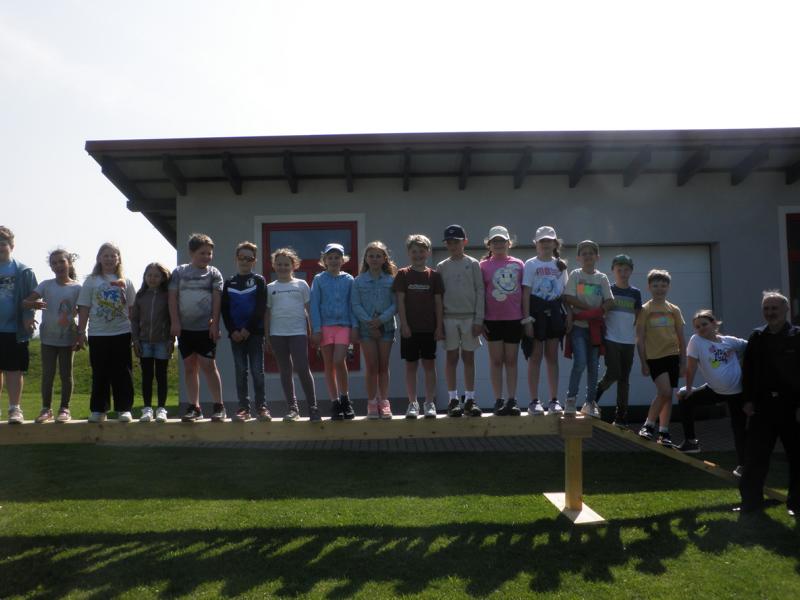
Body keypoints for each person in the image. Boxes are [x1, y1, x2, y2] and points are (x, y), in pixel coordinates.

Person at [738, 290, 800, 516]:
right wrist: (747, 400)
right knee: (755, 457)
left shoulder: (797, 336)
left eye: (774, 308)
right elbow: (748, 371)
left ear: (786, 309)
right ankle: (750, 503)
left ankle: (796, 504)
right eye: (766, 308)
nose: (770, 312)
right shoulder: (757, 337)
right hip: (762, 407)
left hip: (792, 407)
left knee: (797, 457)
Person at [676, 310, 747, 473]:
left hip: (737, 393)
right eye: (697, 326)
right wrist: (688, 389)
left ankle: (743, 465)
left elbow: (751, 346)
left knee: (739, 428)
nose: (701, 328)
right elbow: (691, 367)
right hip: (714, 390)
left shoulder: (730, 341)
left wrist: (743, 362)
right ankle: (691, 442)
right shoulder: (696, 341)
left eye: (704, 324)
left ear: (714, 324)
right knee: (685, 399)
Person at [76, 242, 136, 423]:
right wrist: (80, 332)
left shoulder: (126, 281)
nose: (109, 259)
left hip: (122, 332)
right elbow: (84, 307)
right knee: (100, 372)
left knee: (123, 372)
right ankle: (99, 409)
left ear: (118, 259)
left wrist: (136, 333)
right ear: (99, 258)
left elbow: (132, 309)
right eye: (106, 256)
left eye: (113, 256)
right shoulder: (91, 281)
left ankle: (124, 409)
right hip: (98, 333)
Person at [169, 233, 225, 422]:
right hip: (185, 329)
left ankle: (219, 406)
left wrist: (215, 323)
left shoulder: (214, 273)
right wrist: (175, 322)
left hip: (205, 328)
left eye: (209, 253)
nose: (207, 257)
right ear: (192, 253)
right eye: (202, 253)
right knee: (190, 367)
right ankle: (194, 407)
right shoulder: (179, 272)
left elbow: (217, 300)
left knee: (208, 365)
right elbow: (172, 298)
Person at [23, 249, 81, 423]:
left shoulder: (78, 288)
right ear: (51, 267)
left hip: (68, 338)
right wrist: (34, 304)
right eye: (54, 263)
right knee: (48, 375)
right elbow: (25, 302)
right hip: (48, 338)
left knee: (66, 375)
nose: (58, 265)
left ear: (69, 263)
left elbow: (84, 311)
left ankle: (65, 409)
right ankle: (46, 409)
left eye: (61, 261)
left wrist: (81, 334)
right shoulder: (46, 285)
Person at [266, 248, 320, 422]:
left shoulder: (302, 285)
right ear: (274, 265)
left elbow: (309, 310)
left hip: (298, 333)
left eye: (286, 264)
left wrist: (313, 332)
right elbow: (267, 314)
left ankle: (313, 407)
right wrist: (267, 337)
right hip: (277, 334)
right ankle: (292, 408)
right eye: (279, 264)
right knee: (285, 371)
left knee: (302, 368)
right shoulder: (270, 288)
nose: (282, 267)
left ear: (294, 265)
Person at [393, 234, 444, 419]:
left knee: (429, 365)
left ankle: (429, 402)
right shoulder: (403, 274)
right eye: (414, 251)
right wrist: (404, 325)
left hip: (429, 328)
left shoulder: (434, 276)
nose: (418, 255)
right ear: (409, 253)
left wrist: (439, 327)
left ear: (428, 253)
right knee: (411, 366)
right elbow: (400, 301)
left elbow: (438, 303)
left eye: (422, 251)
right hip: (410, 329)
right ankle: (412, 403)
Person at [436, 225, 484, 417]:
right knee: (451, 357)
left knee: (469, 357)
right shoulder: (442, 266)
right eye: (449, 242)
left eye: (456, 241)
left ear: (464, 242)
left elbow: (480, 290)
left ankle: (470, 399)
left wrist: (479, 319)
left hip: (469, 317)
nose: (453, 245)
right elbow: (438, 296)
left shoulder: (473, 263)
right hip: (449, 317)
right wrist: (439, 323)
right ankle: (453, 399)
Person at [563, 240, 614, 416]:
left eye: (591, 253)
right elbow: (568, 297)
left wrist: (599, 311)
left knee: (594, 366)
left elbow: (610, 301)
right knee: (580, 362)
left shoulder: (602, 278)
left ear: (597, 257)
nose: (588, 256)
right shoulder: (575, 275)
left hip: (595, 329)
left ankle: (590, 402)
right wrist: (590, 310)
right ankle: (570, 400)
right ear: (578, 258)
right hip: (578, 327)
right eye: (584, 253)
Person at [521, 226, 569, 415]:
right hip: (535, 314)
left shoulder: (560, 265)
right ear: (536, 244)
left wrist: (569, 315)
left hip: (555, 314)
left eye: (549, 240)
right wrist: (527, 320)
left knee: (552, 357)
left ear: (555, 243)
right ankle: (534, 401)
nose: (546, 244)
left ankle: (554, 400)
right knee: (535, 356)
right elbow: (526, 292)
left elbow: (564, 293)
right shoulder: (531, 264)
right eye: (542, 241)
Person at [636, 269, 686, 447]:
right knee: (664, 391)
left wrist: (683, 362)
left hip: (672, 355)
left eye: (663, 285)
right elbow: (640, 339)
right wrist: (643, 362)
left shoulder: (674, 309)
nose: (660, 289)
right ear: (649, 287)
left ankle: (664, 431)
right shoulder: (645, 310)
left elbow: (681, 338)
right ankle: (648, 425)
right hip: (654, 357)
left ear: (668, 287)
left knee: (668, 394)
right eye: (656, 285)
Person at [479, 225, 524, 416]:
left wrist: (526, 318)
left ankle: (512, 400)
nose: (498, 244)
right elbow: (480, 293)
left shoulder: (519, 264)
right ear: (489, 244)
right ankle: (498, 400)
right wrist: (480, 319)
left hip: (514, 319)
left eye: (502, 241)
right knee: (496, 361)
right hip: (492, 320)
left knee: (511, 361)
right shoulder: (483, 266)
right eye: (494, 241)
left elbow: (525, 292)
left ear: (508, 243)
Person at [221, 241, 268, 422]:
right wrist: (233, 330)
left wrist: (248, 329)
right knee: (240, 372)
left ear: (254, 261)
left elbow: (260, 307)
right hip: (236, 336)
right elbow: (225, 310)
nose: (245, 261)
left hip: (254, 334)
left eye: (249, 258)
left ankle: (262, 407)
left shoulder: (259, 280)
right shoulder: (229, 282)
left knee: (257, 371)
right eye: (242, 257)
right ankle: (243, 409)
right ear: (236, 259)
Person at [310, 243, 358, 420]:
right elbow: (314, 305)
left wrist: (354, 326)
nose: (333, 260)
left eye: (337, 257)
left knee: (339, 360)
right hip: (325, 327)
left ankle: (345, 398)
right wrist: (316, 329)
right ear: (324, 260)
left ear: (343, 260)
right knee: (329, 365)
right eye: (330, 257)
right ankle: (335, 402)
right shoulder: (319, 279)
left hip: (344, 325)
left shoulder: (349, 279)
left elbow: (352, 305)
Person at [595, 254, 642, 426]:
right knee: (614, 373)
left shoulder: (636, 293)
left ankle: (621, 416)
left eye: (626, 270)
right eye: (619, 270)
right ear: (613, 271)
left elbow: (638, 315)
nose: (623, 273)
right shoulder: (608, 289)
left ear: (631, 271)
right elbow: (597, 305)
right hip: (611, 339)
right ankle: (592, 400)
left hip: (628, 342)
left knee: (624, 379)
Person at [352, 241, 397, 419]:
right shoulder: (358, 281)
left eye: (378, 256)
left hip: (387, 328)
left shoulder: (391, 280)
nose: (375, 259)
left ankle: (384, 402)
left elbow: (395, 305)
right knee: (371, 366)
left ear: (384, 258)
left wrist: (381, 320)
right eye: (371, 256)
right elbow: (355, 305)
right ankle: (372, 403)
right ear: (366, 258)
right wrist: (371, 322)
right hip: (366, 330)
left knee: (383, 366)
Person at [0, 226, 38, 424]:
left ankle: (15, 409)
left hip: (15, 330)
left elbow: (33, 296)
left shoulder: (24, 271)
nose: (0, 247)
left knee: (14, 370)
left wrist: (29, 315)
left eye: (2, 243)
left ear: (11, 246)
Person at [130, 262, 173, 423]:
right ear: (145, 277)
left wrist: (171, 339)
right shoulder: (140, 296)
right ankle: (147, 409)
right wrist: (135, 340)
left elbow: (172, 319)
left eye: (156, 276)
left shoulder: (167, 296)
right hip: (144, 342)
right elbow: (134, 320)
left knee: (161, 376)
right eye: (149, 275)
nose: (152, 278)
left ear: (163, 278)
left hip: (163, 342)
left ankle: (161, 409)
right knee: (147, 376)